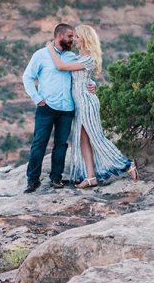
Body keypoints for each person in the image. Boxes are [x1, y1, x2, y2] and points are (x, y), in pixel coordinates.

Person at [45, 24, 139, 188]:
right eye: (74, 37)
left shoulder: (88, 59)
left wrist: (50, 48)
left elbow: (61, 66)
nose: (74, 40)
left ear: (85, 39)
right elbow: (81, 78)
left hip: (87, 103)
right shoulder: (78, 58)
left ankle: (127, 164)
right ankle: (90, 177)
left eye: (77, 37)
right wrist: (91, 82)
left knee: (96, 137)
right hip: (79, 104)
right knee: (83, 141)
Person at [21, 23, 90, 193]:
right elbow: (27, 77)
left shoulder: (71, 57)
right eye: (69, 36)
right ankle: (32, 180)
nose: (72, 40)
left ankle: (56, 178)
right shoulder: (41, 55)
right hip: (46, 107)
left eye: (73, 37)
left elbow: (82, 75)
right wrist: (37, 98)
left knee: (61, 144)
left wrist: (92, 85)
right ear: (59, 36)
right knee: (39, 143)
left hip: (67, 108)